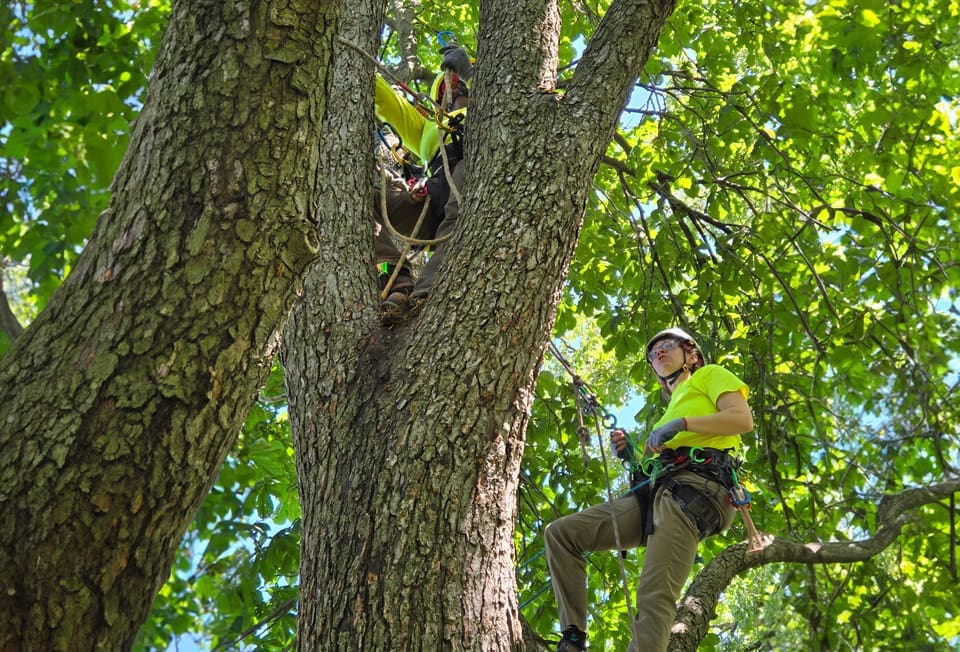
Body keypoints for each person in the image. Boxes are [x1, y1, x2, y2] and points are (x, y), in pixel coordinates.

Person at [544, 327, 754, 651]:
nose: (658, 353)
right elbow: (648, 473)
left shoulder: (709, 376)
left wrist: (683, 425)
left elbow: (741, 419)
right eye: (652, 353)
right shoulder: (668, 413)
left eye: (667, 346)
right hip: (659, 494)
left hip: (696, 491)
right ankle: (573, 637)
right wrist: (630, 455)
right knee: (561, 534)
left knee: (653, 596)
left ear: (692, 354)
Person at [373, 41, 473, 316]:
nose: (455, 92)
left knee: (458, 215)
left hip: (473, 164)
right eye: (448, 89)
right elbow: (386, 101)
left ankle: (426, 294)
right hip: (437, 184)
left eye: (461, 86)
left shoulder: (487, 112)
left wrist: (469, 73)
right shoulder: (428, 127)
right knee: (369, 199)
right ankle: (399, 279)